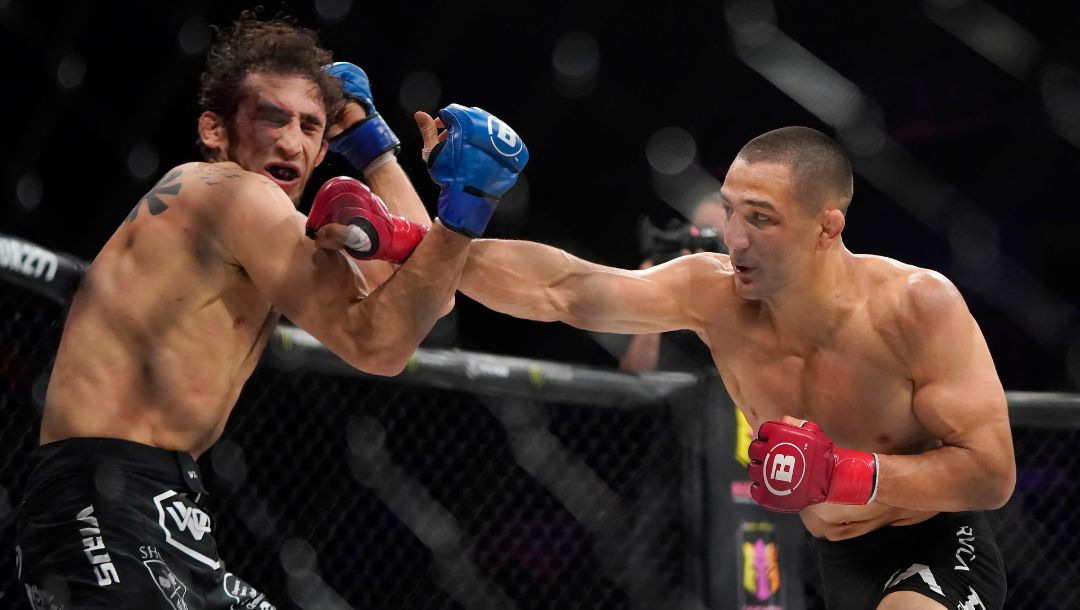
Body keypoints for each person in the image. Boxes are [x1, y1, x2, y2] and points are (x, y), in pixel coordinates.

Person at [354, 122, 1013, 610]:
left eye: (762, 219)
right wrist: (415, 243)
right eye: (731, 212)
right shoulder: (713, 293)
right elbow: (565, 289)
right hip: (833, 557)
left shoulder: (915, 306)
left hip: (932, 541)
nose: (737, 238)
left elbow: (991, 474)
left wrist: (843, 472)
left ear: (826, 228)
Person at [15, 13, 526, 610]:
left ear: (324, 148)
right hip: (100, 498)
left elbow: (427, 297)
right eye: (272, 118)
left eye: (311, 126)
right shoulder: (226, 191)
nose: (291, 142)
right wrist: (464, 210)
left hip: (168, 509)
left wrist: (375, 151)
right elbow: (380, 344)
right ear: (214, 129)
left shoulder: (279, 231)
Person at [619, 193, 726, 373]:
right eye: (696, 236)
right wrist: (654, 296)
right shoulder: (676, 289)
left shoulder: (760, 298)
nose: (701, 251)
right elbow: (635, 376)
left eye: (712, 242)